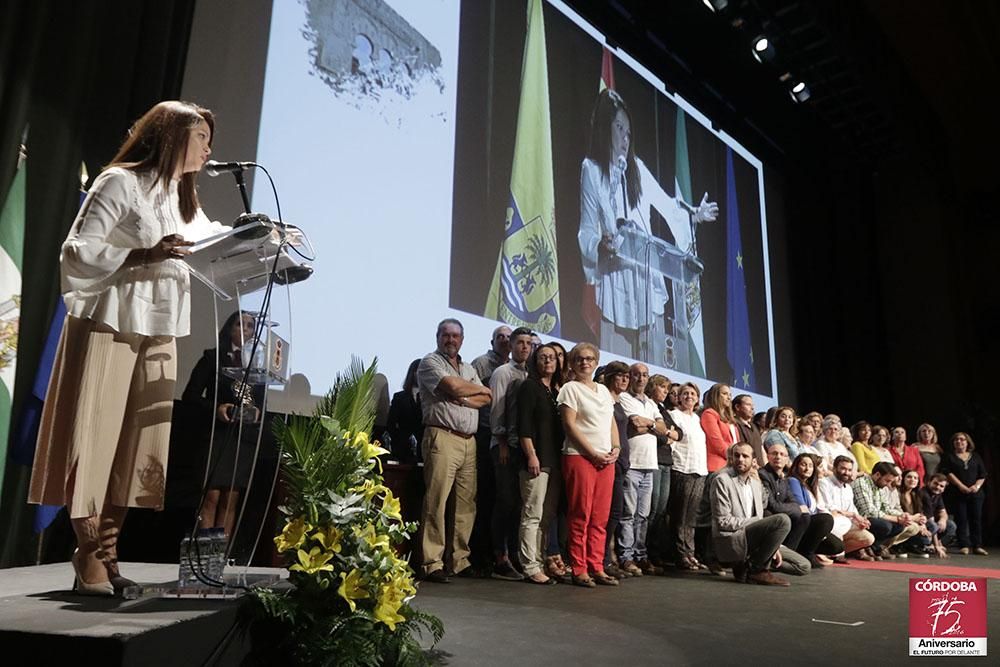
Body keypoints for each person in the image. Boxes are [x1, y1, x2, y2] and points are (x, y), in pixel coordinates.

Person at [28, 101, 224, 596]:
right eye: (201, 136)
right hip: (110, 323)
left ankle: (106, 549)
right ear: (172, 136)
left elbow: (214, 242)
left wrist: (264, 239)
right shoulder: (119, 182)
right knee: (94, 438)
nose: (208, 148)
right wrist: (143, 254)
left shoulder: (182, 200)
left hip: (158, 329)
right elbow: (77, 250)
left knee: (139, 445)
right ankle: (91, 552)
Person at [578, 89, 718, 364]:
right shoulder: (591, 170)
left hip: (645, 278)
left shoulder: (637, 168)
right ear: (605, 129)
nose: (624, 138)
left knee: (649, 369)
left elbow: (668, 205)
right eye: (619, 128)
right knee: (616, 367)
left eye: (628, 133)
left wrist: (694, 215)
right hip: (616, 279)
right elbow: (586, 228)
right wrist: (600, 244)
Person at [417, 319, 492, 582]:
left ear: (462, 339)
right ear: (438, 337)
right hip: (442, 436)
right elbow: (453, 386)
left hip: (468, 441)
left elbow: (486, 398)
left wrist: (464, 395)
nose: (451, 340)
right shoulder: (430, 362)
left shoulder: (469, 367)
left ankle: (459, 560)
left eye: (456, 336)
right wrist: (468, 390)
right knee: (436, 501)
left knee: (465, 504)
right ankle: (431, 562)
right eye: (446, 335)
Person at [182, 311, 266, 538]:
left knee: (231, 498)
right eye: (240, 324)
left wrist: (257, 410)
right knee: (212, 497)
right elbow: (190, 395)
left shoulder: (257, 367)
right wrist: (217, 408)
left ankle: (220, 558)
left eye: (250, 326)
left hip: (242, 438)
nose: (245, 330)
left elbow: (259, 400)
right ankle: (203, 553)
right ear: (230, 328)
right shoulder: (213, 357)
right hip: (216, 435)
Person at [558, 343, 621, 587]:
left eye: (590, 359)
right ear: (572, 364)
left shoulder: (604, 391)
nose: (585, 362)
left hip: (606, 459)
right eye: (580, 359)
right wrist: (593, 453)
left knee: (600, 516)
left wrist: (616, 448)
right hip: (579, 457)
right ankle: (579, 567)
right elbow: (570, 426)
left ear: (596, 362)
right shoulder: (569, 389)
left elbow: (611, 423)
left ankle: (597, 566)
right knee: (580, 514)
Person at [617, 363, 675, 576]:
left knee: (643, 515)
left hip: (650, 465)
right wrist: (656, 427)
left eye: (644, 375)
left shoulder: (651, 402)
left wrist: (650, 425)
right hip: (632, 463)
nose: (640, 379)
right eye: (636, 375)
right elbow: (634, 424)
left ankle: (641, 555)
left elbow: (661, 429)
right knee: (628, 513)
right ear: (630, 377)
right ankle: (626, 557)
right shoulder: (624, 398)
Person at [709, 443, 793, 586]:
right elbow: (722, 522)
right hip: (733, 538)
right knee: (783, 520)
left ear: (754, 461)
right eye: (737, 456)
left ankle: (747, 566)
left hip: (752, 540)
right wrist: (755, 522)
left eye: (745, 456)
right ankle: (756, 571)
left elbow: (765, 504)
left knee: (802, 566)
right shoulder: (722, 480)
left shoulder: (755, 483)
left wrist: (773, 546)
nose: (740, 459)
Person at [516, 344, 564, 585]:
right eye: (543, 357)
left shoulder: (555, 392)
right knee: (532, 515)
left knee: (546, 516)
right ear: (535, 361)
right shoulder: (529, 387)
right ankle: (529, 566)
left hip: (554, 461)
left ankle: (539, 559)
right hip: (535, 460)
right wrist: (531, 455)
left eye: (552, 358)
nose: (548, 361)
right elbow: (523, 426)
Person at [488, 327, 533, 581]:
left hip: (523, 447)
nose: (524, 347)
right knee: (505, 501)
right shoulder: (502, 372)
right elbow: (497, 409)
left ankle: (516, 554)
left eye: (528, 343)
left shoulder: (530, 374)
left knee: (519, 504)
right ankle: (499, 556)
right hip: (504, 445)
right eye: (520, 343)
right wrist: (502, 440)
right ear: (511, 345)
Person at [468, 324, 510, 573]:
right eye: (500, 337)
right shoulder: (482, 363)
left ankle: (499, 554)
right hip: (485, 434)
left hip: (505, 438)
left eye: (508, 337)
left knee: (500, 499)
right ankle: (479, 555)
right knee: (484, 497)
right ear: (492, 341)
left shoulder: (517, 368)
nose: (505, 340)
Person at [668, 382, 708, 570]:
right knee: (680, 515)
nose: (689, 396)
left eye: (692, 393)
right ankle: (680, 553)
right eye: (685, 393)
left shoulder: (698, 419)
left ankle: (690, 553)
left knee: (691, 517)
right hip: (682, 469)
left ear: (697, 398)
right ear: (678, 397)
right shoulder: (674, 415)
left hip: (699, 470)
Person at [644, 374, 683, 566]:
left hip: (667, 462)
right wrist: (668, 434)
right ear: (652, 387)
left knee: (660, 510)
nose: (666, 392)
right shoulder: (648, 406)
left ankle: (653, 550)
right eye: (662, 388)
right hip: (655, 459)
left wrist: (667, 432)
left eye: (667, 389)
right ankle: (644, 550)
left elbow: (679, 432)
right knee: (651, 509)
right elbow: (654, 431)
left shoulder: (663, 410)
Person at [601, 361, 632, 579]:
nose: (624, 380)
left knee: (616, 513)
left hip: (621, 464)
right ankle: (603, 558)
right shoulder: (604, 399)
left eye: (626, 376)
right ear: (609, 376)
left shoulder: (619, 403)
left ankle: (606, 556)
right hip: (610, 461)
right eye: (619, 375)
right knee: (608, 514)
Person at [851, 462, 921, 559]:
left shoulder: (880, 486)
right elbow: (869, 511)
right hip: (860, 519)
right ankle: (861, 548)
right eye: (887, 480)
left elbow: (886, 508)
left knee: (901, 525)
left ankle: (874, 547)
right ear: (877, 475)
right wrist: (896, 519)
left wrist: (903, 515)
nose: (888, 484)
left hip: (874, 517)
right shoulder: (861, 483)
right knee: (885, 526)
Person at [817, 456, 876, 560]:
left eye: (849, 470)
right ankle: (829, 551)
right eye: (843, 468)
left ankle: (834, 552)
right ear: (834, 469)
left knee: (869, 539)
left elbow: (852, 509)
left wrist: (860, 522)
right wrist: (853, 515)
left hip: (846, 524)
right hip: (831, 524)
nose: (846, 472)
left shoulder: (848, 487)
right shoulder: (824, 483)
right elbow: (830, 509)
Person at [786, 454, 841, 566]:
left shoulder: (810, 485)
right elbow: (802, 507)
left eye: (811, 466)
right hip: (800, 523)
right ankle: (807, 553)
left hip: (810, 522)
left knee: (837, 546)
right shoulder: (793, 481)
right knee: (826, 519)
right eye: (803, 465)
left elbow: (819, 508)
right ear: (796, 466)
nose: (807, 468)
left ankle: (803, 551)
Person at [940, 432, 988, 556]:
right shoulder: (949, 456)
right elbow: (947, 472)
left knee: (976, 519)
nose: (959, 441)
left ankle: (977, 545)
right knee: (961, 519)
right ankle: (964, 545)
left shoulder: (975, 456)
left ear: (968, 442)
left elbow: (982, 474)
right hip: (957, 492)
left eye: (962, 439)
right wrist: (961, 486)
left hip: (976, 493)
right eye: (956, 440)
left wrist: (976, 486)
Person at [385, 358, 424, 464]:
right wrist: (398, 441)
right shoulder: (399, 397)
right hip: (403, 448)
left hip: (424, 448)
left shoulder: (431, 398)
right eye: (419, 371)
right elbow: (391, 423)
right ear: (413, 373)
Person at [899, 469, 933, 557]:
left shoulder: (915, 494)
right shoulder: (898, 493)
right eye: (909, 477)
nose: (912, 480)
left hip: (914, 522)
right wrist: (917, 523)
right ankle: (898, 546)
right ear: (903, 479)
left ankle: (911, 546)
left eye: (915, 478)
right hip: (903, 522)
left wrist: (923, 525)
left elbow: (920, 513)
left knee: (932, 527)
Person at [921, 473, 956, 557]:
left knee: (950, 525)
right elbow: (931, 523)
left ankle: (932, 545)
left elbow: (943, 512)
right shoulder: (924, 494)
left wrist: (943, 520)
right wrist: (937, 547)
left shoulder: (937, 494)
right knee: (934, 525)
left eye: (941, 486)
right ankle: (930, 545)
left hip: (930, 522)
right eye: (935, 483)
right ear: (929, 482)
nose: (938, 487)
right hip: (922, 523)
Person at [733, 394, 765, 468]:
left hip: (759, 470)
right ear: (737, 407)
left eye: (752, 405)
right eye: (748, 404)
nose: (752, 408)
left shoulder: (754, 426)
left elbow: (761, 449)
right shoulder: (735, 424)